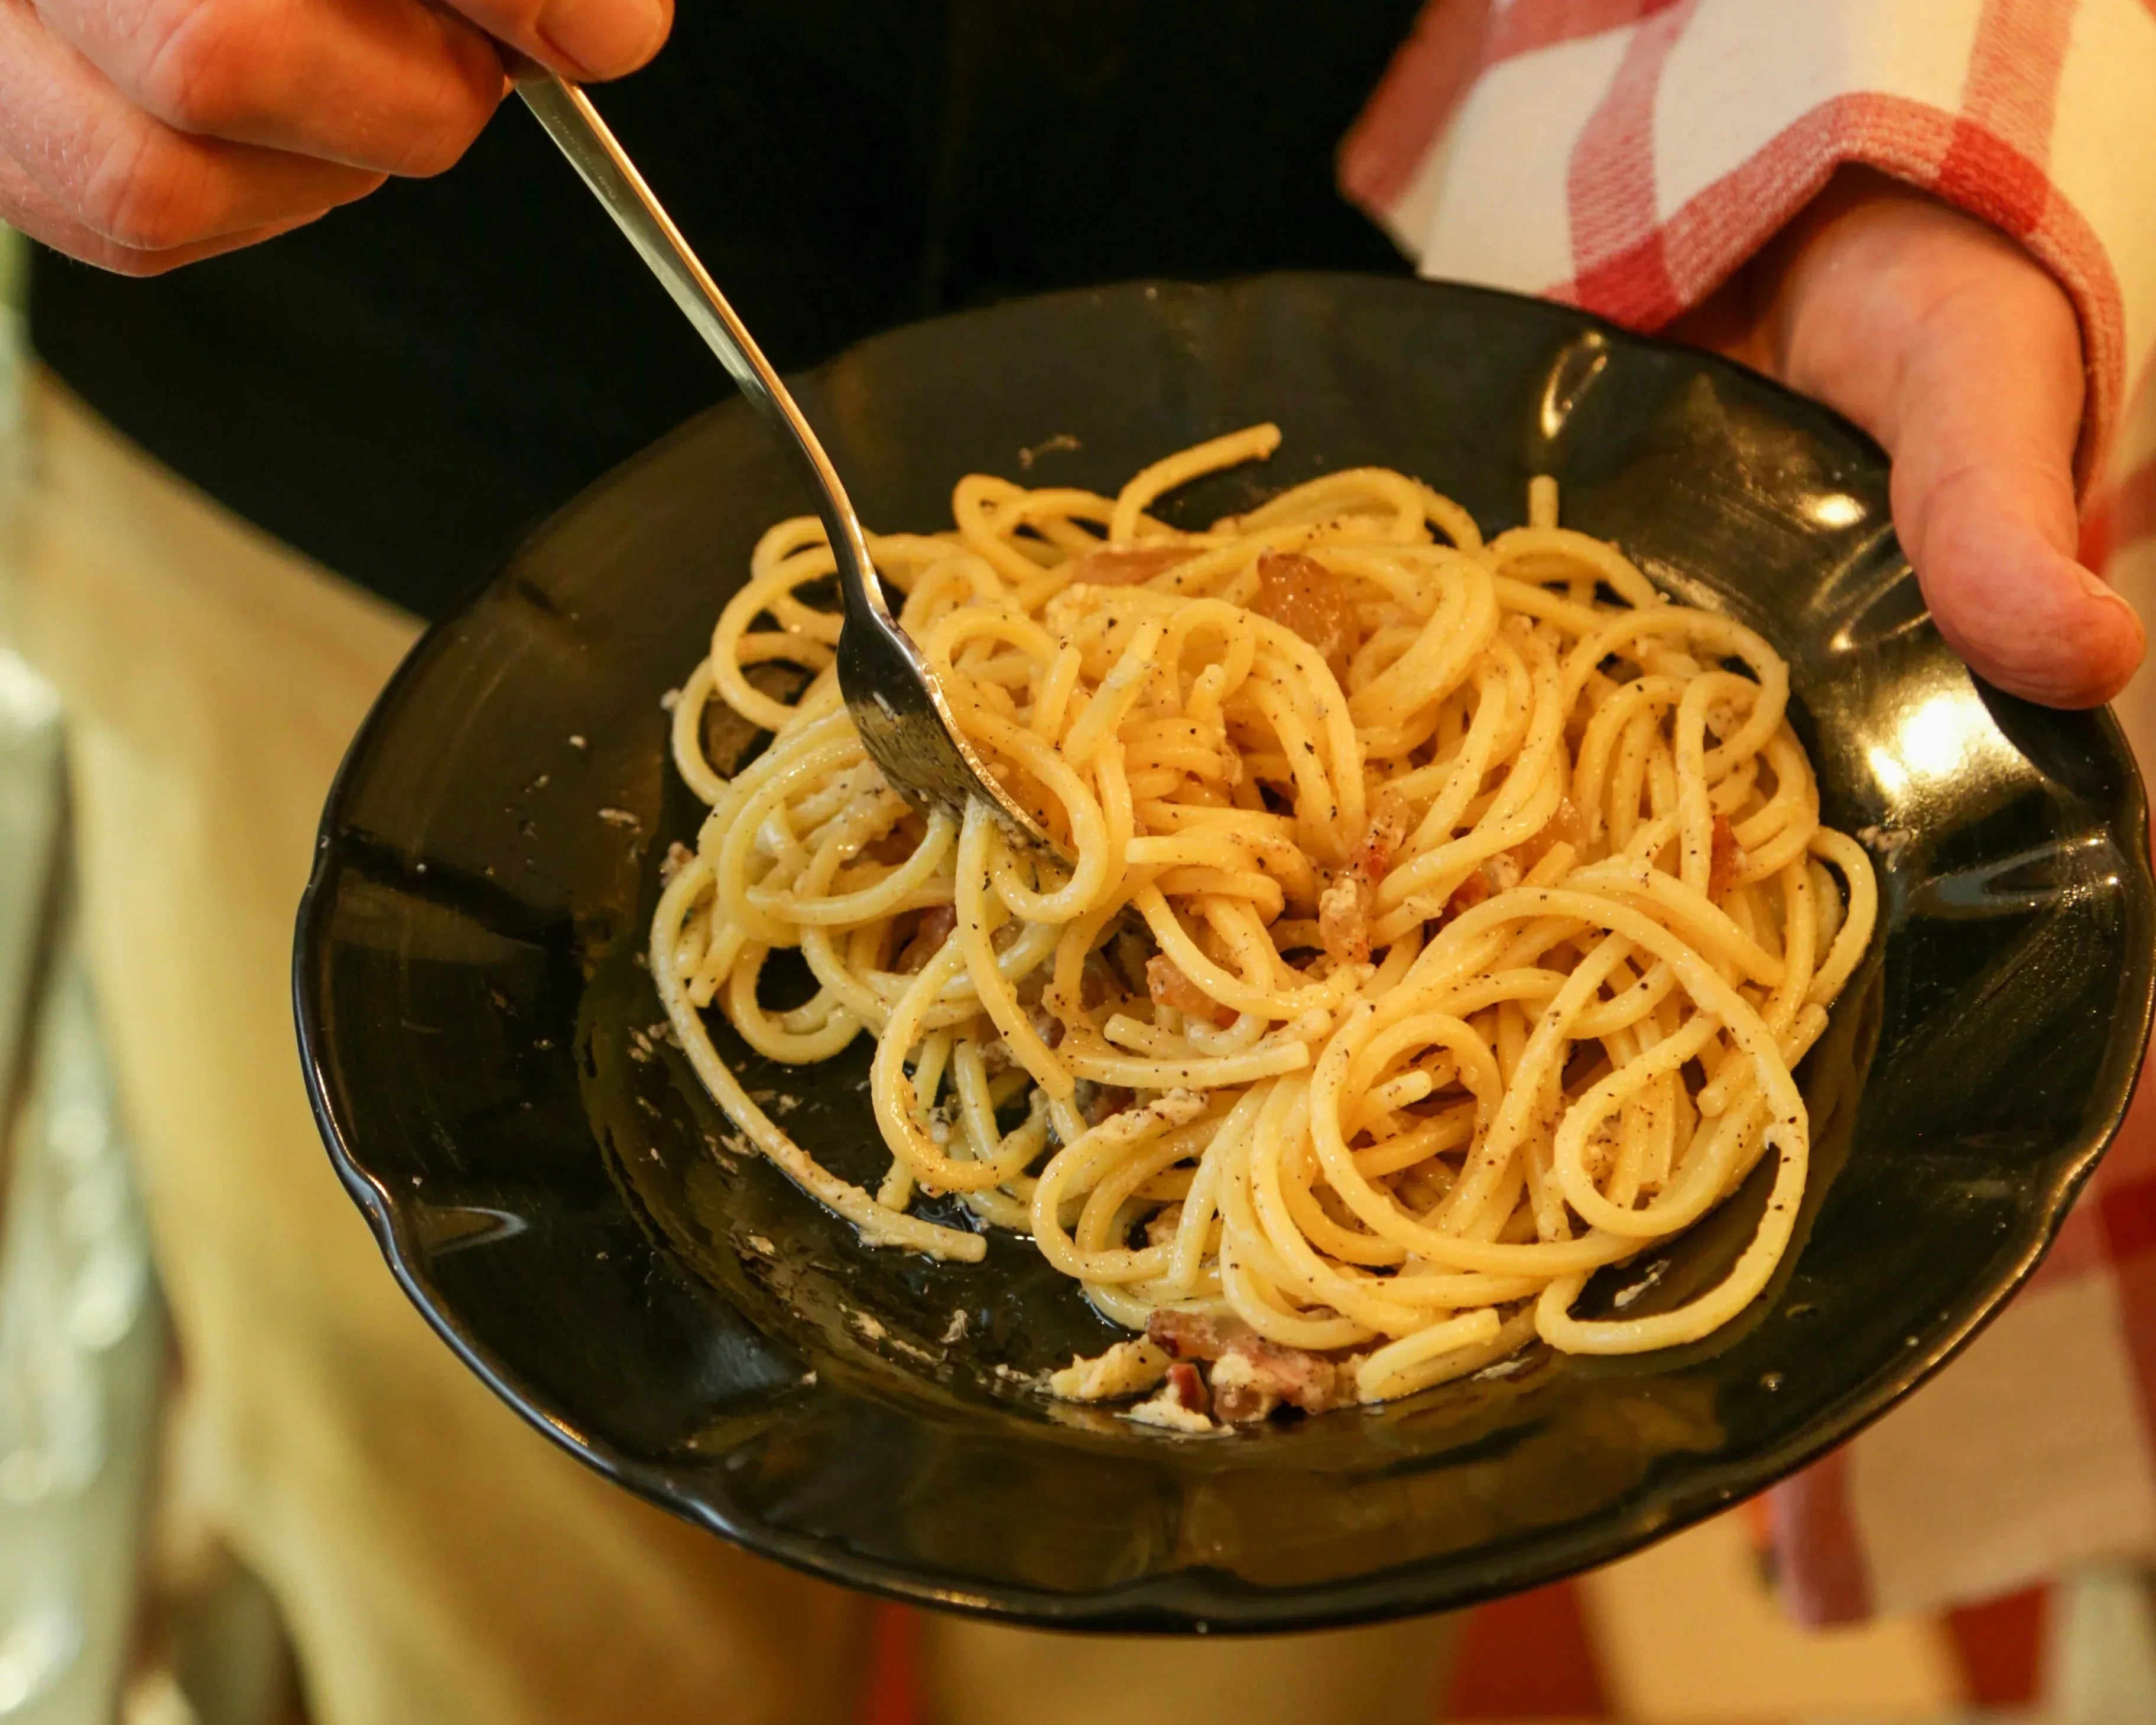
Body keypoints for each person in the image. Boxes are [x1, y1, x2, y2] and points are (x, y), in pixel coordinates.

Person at [2, 1, 2152, 1720]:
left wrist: (1867, 113)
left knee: (1250, 1669)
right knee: (491, 1626)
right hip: (337, 451)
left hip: (1408, 293)